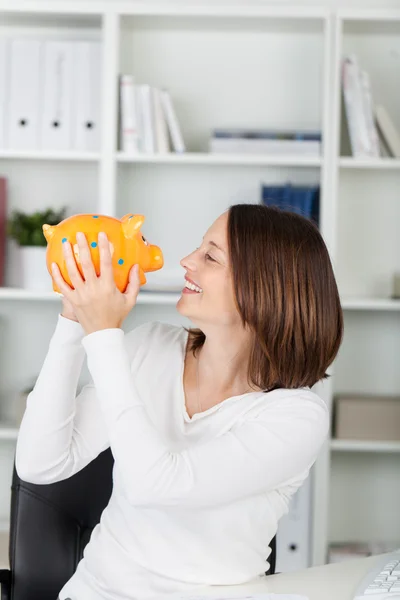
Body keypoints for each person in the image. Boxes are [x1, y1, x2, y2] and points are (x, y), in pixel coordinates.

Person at [15, 203, 343, 600]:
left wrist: (102, 335)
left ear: (263, 288)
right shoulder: (150, 347)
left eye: (210, 256)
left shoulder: (296, 417)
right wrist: (73, 319)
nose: (186, 261)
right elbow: (40, 465)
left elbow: (155, 486)